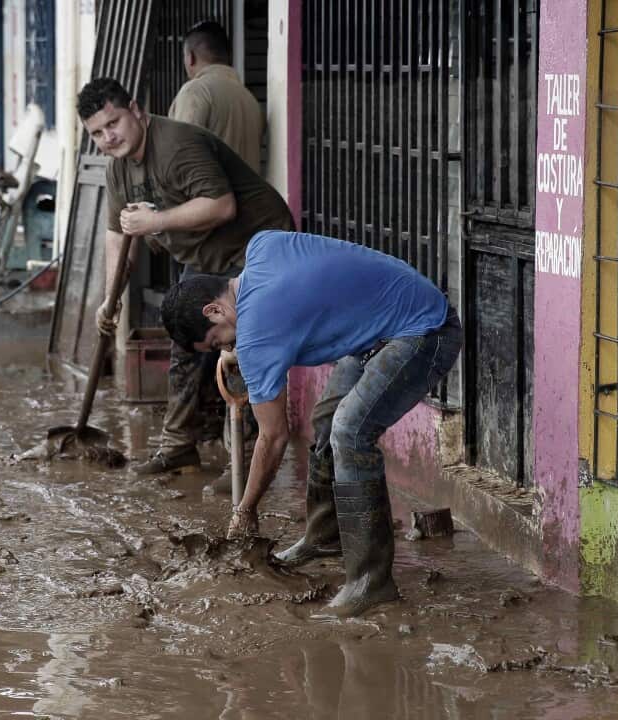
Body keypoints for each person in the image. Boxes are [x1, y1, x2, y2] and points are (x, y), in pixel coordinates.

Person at [160, 230, 463, 618]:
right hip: (389, 319)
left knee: (350, 431)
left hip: (424, 330)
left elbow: (273, 437)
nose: (227, 349)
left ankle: (371, 583)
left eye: (218, 342)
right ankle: (324, 537)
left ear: (214, 311)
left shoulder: (255, 335)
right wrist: (240, 348)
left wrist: (245, 510)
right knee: (326, 420)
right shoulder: (262, 246)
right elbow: (298, 299)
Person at [76, 78, 293, 482]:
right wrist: (110, 300)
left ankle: (244, 458)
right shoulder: (118, 170)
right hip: (207, 257)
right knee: (185, 340)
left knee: (241, 346)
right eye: (97, 133)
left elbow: (222, 205)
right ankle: (178, 447)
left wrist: (155, 221)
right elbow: (117, 237)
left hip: (258, 245)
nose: (109, 137)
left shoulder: (176, 145)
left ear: (136, 111)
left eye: (114, 123)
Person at [168, 20, 262, 171]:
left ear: (190, 57)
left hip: (208, 194)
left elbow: (182, 158)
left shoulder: (195, 91)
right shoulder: (250, 99)